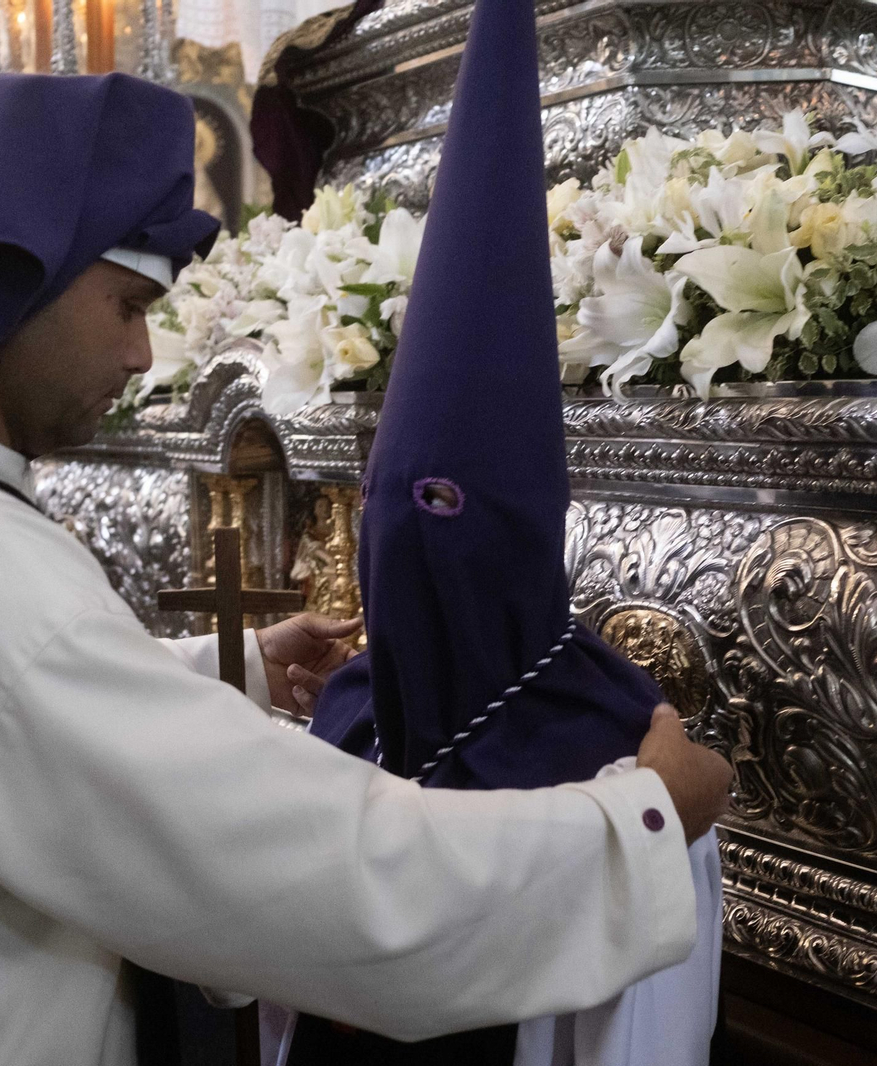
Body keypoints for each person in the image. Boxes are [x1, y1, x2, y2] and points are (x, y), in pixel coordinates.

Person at [0, 73, 733, 1065]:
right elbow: (312, 873)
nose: (140, 354)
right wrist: (637, 830)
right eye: (128, 304)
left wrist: (236, 666)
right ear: (12, 287)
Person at [285, 0, 721, 1062]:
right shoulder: (351, 707)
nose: (408, 537)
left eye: (444, 505)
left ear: (525, 530)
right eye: (390, 499)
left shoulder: (619, 745)